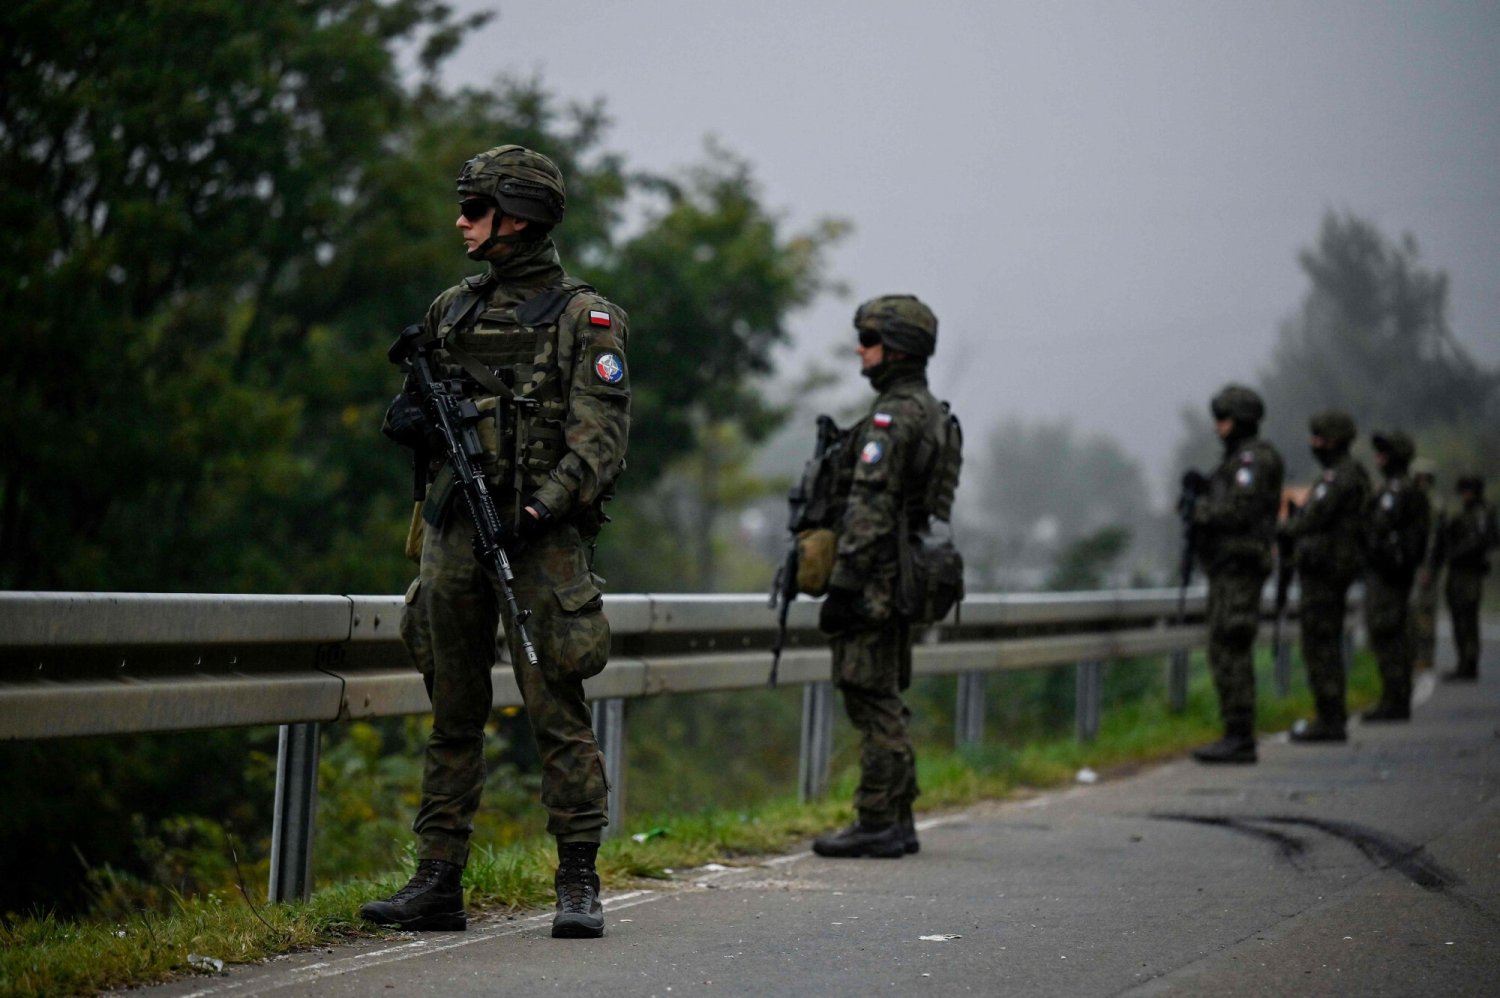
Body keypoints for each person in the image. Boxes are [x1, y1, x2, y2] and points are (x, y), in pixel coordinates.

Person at [362, 145, 629, 938]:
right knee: (452, 708)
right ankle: (437, 881)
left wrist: (540, 512)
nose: (461, 223)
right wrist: (408, 421)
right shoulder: (453, 310)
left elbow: (601, 441)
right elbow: (423, 408)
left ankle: (578, 880)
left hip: (540, 544)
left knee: (556, 707)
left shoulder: (589, 318)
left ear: (520, 216)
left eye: (474, 210)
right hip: (456, 533)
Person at [811, 295, 960, 858]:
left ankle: (878, 818)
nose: (860, 350)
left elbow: (870, 507)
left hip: (877, 578)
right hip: (906, 573)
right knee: (884, 695)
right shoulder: (933, 412)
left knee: (869, 694)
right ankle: (898, 817)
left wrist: (844, 585)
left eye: (869, 341)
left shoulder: (892, 418)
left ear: (896, 350)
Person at [1182, 384, 1284, 764]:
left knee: (1232, 646)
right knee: (1222, 648)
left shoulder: (1252, 462)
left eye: (1223, 420)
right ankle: (1234, 732)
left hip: (1240, 569)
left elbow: (1241, 509)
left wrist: (1202, 512)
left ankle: (1240, 736)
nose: (1217, 428)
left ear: (1239, 420)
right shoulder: (1237, 461)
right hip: (1227, 570)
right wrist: (1202, 490)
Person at [1282, 411, 1370, 743]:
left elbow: (1312, 518)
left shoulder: (1339, 477)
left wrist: (1281, 529)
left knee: (1320, 643)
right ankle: (1330, 715)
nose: (1313, 444)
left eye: (1318, 438)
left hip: (1326, 571)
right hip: (1330, 568)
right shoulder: (1350, 474)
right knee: (1322, 642)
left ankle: (1330, 719)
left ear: (1333, 440)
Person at [1361, 431, 1430, 721]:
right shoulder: (1392, 489)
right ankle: (1395, 696)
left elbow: (1388, 530)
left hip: (1390, 574)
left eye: (1384, 453)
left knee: (1388, 632)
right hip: (1385, 571)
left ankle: (1395, 698)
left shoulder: (1400, 491)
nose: (1378, 458)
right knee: (1386, 632)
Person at [1438, 476, 1498, 681]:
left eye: (1469, 491)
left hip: (1470, 573)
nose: (1465, 495)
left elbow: (1481, 542)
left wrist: (1455, 553)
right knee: (1458, 618)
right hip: (1457, 572)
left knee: (1467, 618)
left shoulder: (1481, 514)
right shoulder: (1462, 514)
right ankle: (1463, 662)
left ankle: (1469, 663)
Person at [1408, 458, 1442, 672]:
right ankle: (1416, 655)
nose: (1422, 482)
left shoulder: (1433, 504)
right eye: (1418, 478)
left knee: (1424, 613)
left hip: (1426, 564)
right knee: (1413, 612)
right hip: (1413, 562)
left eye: (1425, 478)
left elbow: (1434, 540)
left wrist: (1428, 568)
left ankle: (1425, 655)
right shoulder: (1413, 501)